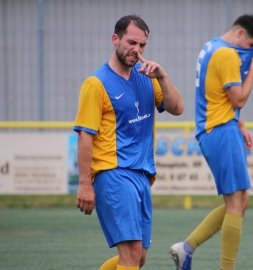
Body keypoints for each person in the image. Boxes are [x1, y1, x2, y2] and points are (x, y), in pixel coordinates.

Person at [74, 14, 184, 270]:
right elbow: (85, 136)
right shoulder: (96, 84)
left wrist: (162, 77)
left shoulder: (147, 78)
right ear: (116, 39)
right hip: (113, 174)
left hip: (142, 175)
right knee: (132, 254)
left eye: (142, 45)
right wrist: (84, 185)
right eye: (131, 42)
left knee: (139, 257)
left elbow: (177, 107)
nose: (137, 50)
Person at [170, 14, 253, 270]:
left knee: (240, 201)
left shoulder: (212, 45)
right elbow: (238, 99)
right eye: (250, 45)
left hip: (221, 128)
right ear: (240, 34)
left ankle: (186, 249)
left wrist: (241, 124)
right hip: (220, 131)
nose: (250, 53)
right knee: (236, 203)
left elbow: (218, 94)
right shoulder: (227, 55)